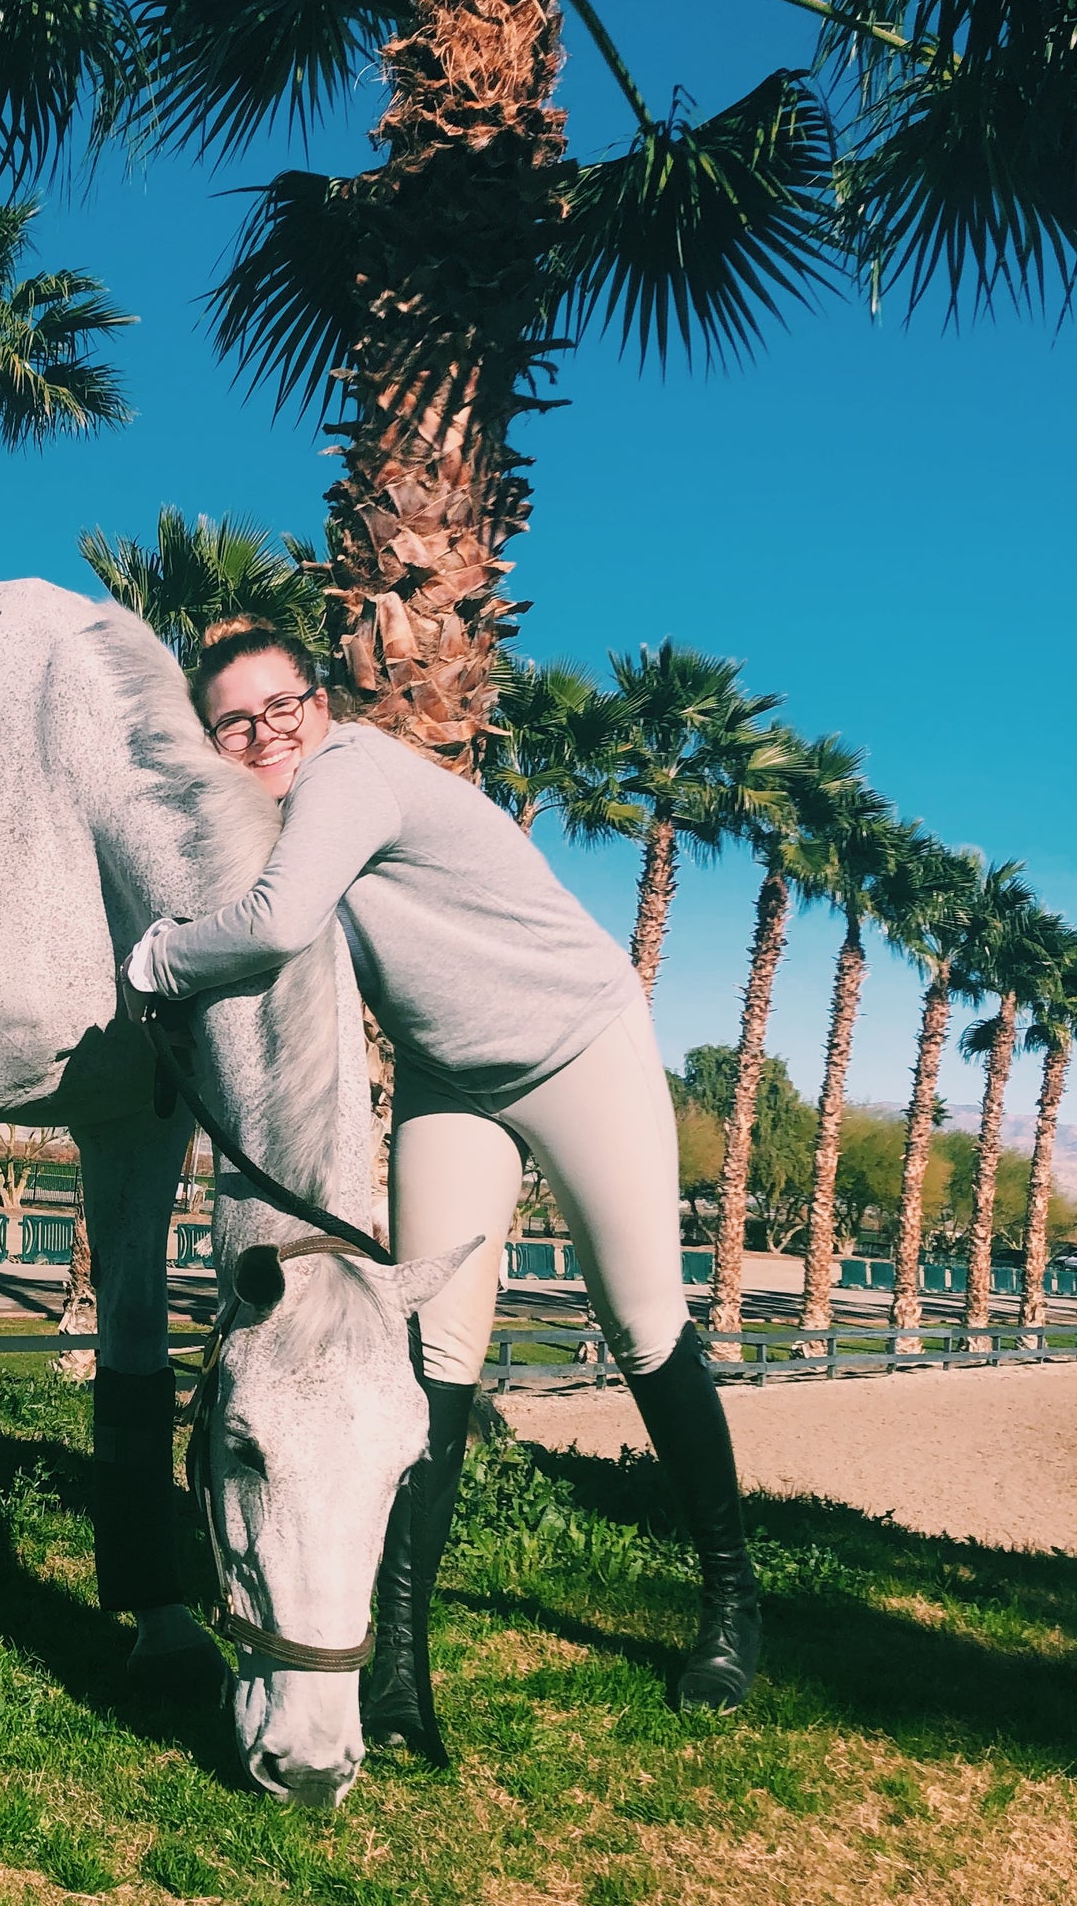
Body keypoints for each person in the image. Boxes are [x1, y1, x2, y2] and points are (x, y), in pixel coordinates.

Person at [125, 617, 760, 1759]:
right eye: (234, 720)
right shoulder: (271, 817)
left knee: (643, 1327)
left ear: (316, 705)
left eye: (281, 705)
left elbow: (271, 932)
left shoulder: (347, 774)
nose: (264, 731)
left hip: (574, 1046)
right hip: (448, 1080)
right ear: (213, 742)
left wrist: (156, 959)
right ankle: (400, 1675)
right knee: (431, 1358)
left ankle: (730, 1602)